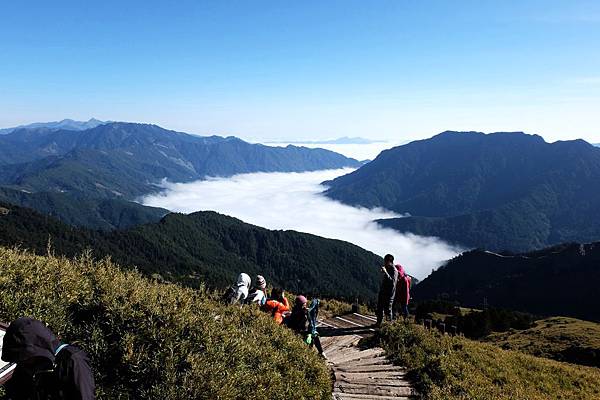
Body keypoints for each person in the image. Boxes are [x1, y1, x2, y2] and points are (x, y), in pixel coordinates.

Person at [0, 317, 95, 400]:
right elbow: (16, 394)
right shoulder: (27, 366)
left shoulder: (73, 360)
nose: (21, 362)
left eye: (22, 358)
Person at [375, 254, 398, 327]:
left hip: (389, 294)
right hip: (383, 292)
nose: (384, 263)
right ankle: (378, 323)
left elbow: (392, 282)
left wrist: (385, 272)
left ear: (390, 262)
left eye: (385, 261)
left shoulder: (394, 271)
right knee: (379, 308)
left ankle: (389, 326)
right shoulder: (388, 268)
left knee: (388, 310)